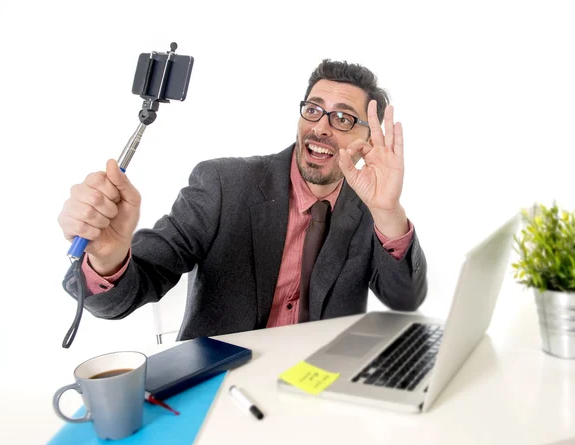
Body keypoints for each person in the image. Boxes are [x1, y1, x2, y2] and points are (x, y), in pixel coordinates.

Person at [58, 59, 428, 341]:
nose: (321, 127)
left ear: (368, 139)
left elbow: (405, 301)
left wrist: (388, 212)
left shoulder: (373, 213)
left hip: (319, 390)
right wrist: (107, 256)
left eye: (343, 118)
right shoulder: (224, 185)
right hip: (222, 387)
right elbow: (130, 291)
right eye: (313, 110)